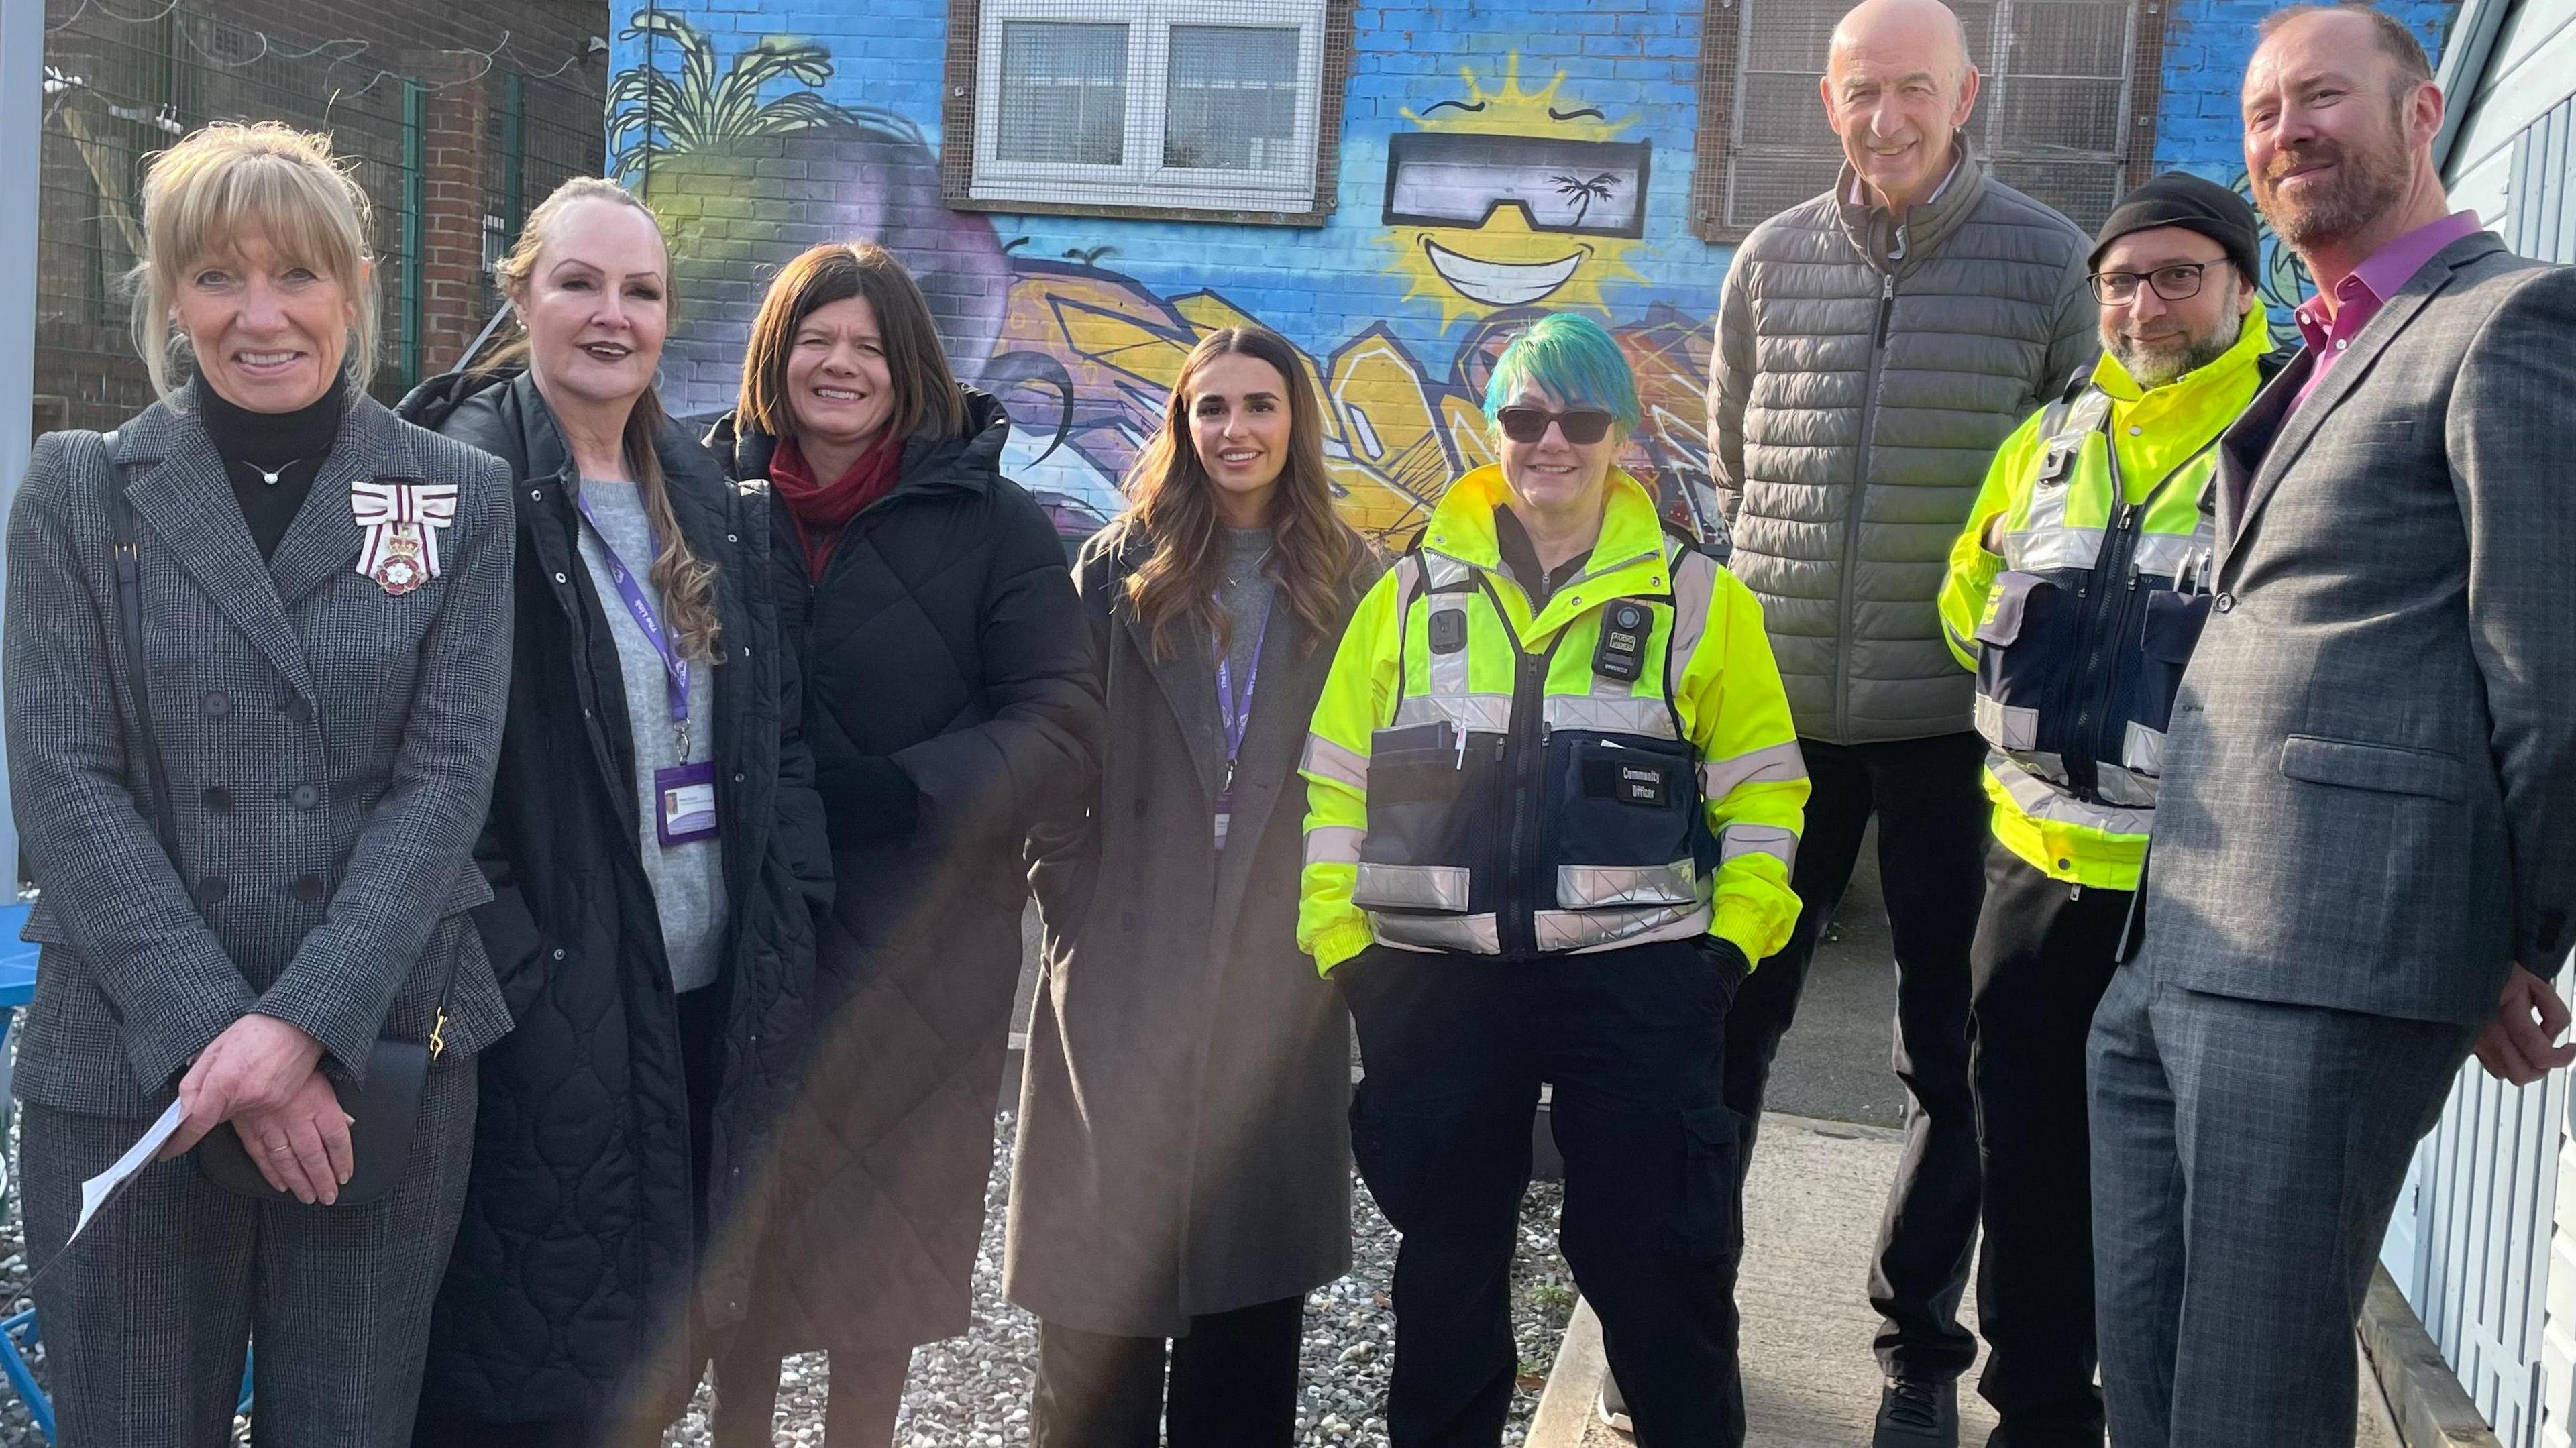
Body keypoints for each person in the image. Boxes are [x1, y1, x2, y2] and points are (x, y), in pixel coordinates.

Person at [2087, 8, 2576, 1447]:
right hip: (2176, 954)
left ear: (2424, 116)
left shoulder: (2510, 325)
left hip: (2336, 966)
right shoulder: (2321, 347)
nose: (2285, 131)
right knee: (2156, 1382)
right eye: (2259, 113)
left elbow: (2550, 676)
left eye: (2322, 99)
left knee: (2249, 1398)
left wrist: (2509, 937)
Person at [1, 121, 515, 1445]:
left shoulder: (460, 494)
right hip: (126, 1066)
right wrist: (215, 1041)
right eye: (219, 276)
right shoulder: (76, 488)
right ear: (173, 295)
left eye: (298, 276)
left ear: (355, 291)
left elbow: (446, 780)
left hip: (381, 1059)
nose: (261, 315)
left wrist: (298, 1034)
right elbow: (63, 780)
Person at [1300, 312, 1808, 1448]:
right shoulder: (1407, 595)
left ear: (1621, 437)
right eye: (1526, 419)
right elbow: (1333, 782)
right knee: (1444, 1277)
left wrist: (1726, 949)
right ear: (1493, 434)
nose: (1551, 442)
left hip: (1633, 983)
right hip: (1436, 985)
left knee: (1657, 1273)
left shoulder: (1698, 600)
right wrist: (1346, 952)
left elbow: (1768, 794)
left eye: (1580, 418)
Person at [1700, 0, 2096, 1438]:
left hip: (1953, 728)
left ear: (1965, 92)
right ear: (1828, 98)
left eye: (1914, 90)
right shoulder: (1769, 259)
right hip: (1778, 729)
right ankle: (1688, 1322)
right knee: (1725, 1030)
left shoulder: (2050, 261)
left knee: (1955, 1052)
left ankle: (1917, 1347)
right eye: (1862, 91)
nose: (1887, 117)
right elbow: (1732, 456)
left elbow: (2080, 488)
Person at [395, 178, 834, 1448]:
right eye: (578, 283)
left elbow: (777, 737)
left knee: (658, 1343)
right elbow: (405, 758)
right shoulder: (465, 483)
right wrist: (514, 971)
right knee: (526, 1366)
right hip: (549, 1011)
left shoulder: (701, 495)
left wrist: (785, 926)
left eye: (640, 291)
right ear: (521, 295)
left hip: (706, 999)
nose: (611, 315)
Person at [704, 241, 1101, 1443]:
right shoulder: (707, 500)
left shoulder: (993, 521)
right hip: (741, 935)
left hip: (920, 951)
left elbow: (1066, 725)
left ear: (909, 367)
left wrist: (903, 791)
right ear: (777, 355)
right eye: (816, 338)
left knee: (878, 1265)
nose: (841, 364)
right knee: (742, 1252)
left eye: (869, 346)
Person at [1932, 174, 2275, 1448]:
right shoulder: (2051, 438)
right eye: (2123, 280)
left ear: (2243, 284)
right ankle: (2034, 1414)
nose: (2145, 303)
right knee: (2025, 1162)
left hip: (2204, 894)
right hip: (2030, 872)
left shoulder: (2291, 430)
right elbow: (1967, 593)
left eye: (2178, 274)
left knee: (2182, 1186)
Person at [1006, 326, 1379, 1446]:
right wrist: (1067, 905)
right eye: (1211, 408)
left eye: (1259, 406)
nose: (1235, 430)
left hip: (1276, 960)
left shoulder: (1350, 580)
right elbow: (1058, 756)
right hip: (1124, 950)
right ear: (1183, 424)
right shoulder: (1120, 568)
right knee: (1099, 1310)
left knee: (1245, 1305)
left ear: (1294, 424)